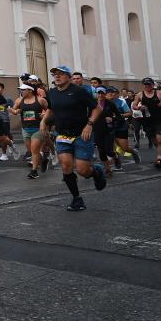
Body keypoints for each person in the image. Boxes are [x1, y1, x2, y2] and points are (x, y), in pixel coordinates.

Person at [42, 66, 106, 212]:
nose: (57, 77)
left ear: (69, 77)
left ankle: (95, 171)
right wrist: (43, 121)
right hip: (62, 135)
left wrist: (89, 125)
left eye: (60, 74)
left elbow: (97, 109)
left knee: (83, 170)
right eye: (54, 74)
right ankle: (77, 199)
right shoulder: (52, 92)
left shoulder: (79, 92)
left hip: (81, 135)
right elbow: (51, 109)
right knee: (66, 167)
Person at [10, 84, 48, 179]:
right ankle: (43, 160)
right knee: (31, 151)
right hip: (25, 129)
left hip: (38, 128)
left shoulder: (40, 100)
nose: (21, 91)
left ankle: (34, 171)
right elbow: (13, 110)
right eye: (20, 90)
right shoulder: (19, 100)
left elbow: (49, 110)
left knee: (34, 149)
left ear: (30, 90)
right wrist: (14, 111)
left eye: (23, 90)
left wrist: (44, 114)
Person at [132, 77, 161, 169]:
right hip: (147, 121)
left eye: (149, 84)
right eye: (145, 84)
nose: (147, 86)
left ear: (153, 85)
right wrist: (139, 108)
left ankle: (159, 159)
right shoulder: (140, 95)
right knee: (155, 142)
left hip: (160, 120)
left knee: (160, 140)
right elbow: (134, 105)